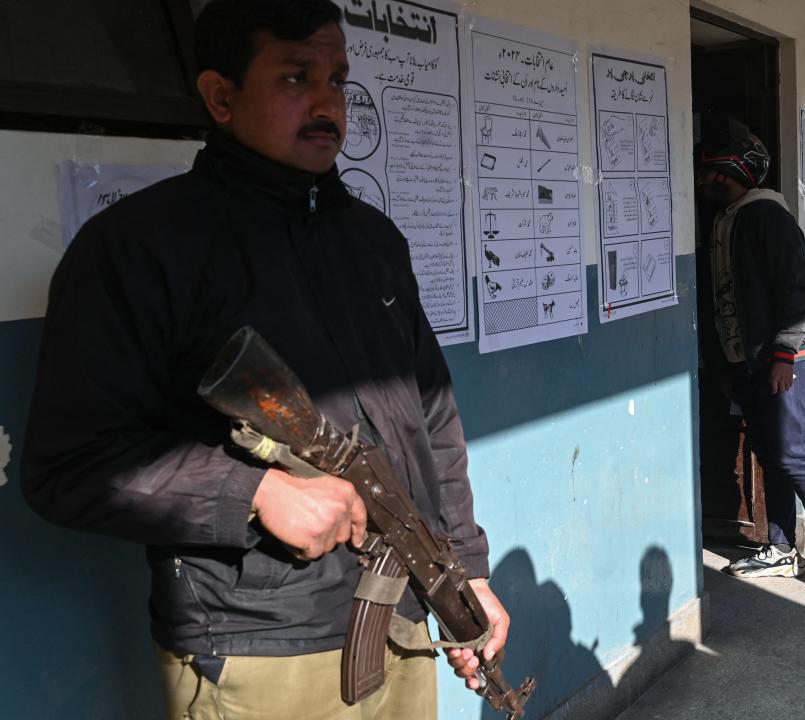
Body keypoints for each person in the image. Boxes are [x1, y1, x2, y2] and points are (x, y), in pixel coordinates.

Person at [20, 1, 508, 717]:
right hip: (257, 651)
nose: (326, 103)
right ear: (220, 96)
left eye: (337, 80)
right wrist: (253, 495)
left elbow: (433, 420)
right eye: (294, 77)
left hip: (403, 619)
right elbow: (67, 467)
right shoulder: (137, 247)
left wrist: (465, 572)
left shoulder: (373, 242)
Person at [696, 114, 805, 591]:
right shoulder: (727, 219)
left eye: (708, 172)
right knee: (768, 450)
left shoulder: (768, 216)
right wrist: (726, 363)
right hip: (745, 357)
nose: (702, 180)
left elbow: (796, 291)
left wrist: (784, 355)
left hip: (785, 354)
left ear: (726, 173)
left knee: (789, 448)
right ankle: (783, 548)